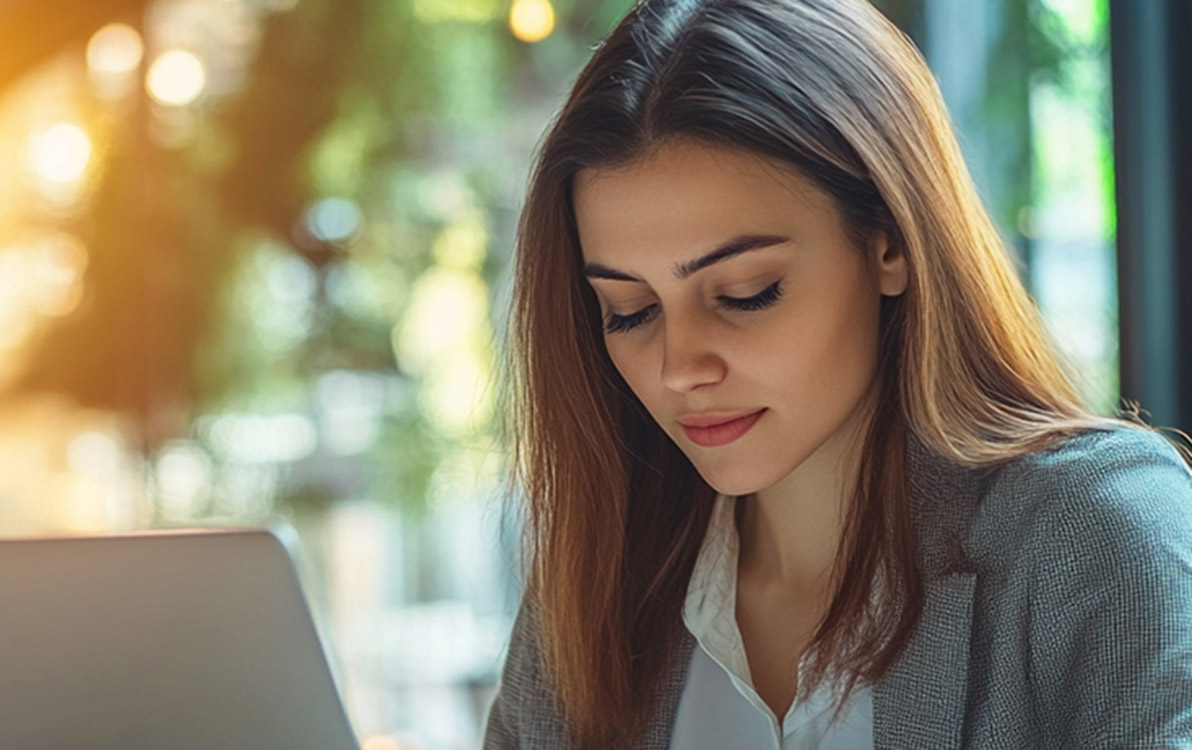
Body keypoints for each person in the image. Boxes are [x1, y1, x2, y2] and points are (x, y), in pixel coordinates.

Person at [482, 0, 1192, 747]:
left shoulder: (1097, 534)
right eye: (629, 310)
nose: (680, 368)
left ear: (889, 244)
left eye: (745, 293)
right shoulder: (598, 586)